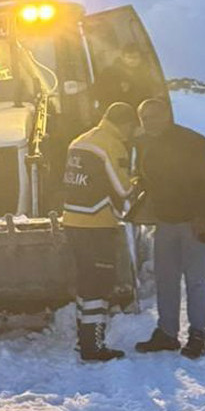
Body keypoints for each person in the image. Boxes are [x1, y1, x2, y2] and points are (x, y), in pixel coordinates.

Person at [133, 98, 205, 358]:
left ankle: (198, 334)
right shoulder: (145, 143)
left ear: (167, 114)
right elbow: (147, 178)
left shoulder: (194, 143)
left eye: (153, 116)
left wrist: (203, 215)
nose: (148, 122)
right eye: (144, 118)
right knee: (165, 279)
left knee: (196, 281)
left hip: (195, 222)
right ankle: (167, 333)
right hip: (166, 222)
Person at [63, 101, 137, 362]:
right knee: (100, 284)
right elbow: (123, 189)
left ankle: (83, 339)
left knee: (85, 282)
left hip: (72, 220)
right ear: (125, 124)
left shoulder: (80, 140)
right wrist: (139, 181)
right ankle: (93, 347)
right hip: (96, 224)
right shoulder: (112, 145)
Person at [97, 44, 154, 111]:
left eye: (135, 57)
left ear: (140, 59)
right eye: (129, 57)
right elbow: (99, 92)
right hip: (116, 112)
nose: (132, 60)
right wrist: (119, 88)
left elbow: (151, 89)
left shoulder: (145, 73)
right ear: (123, 58)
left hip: (141, 112)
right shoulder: (110, 72)